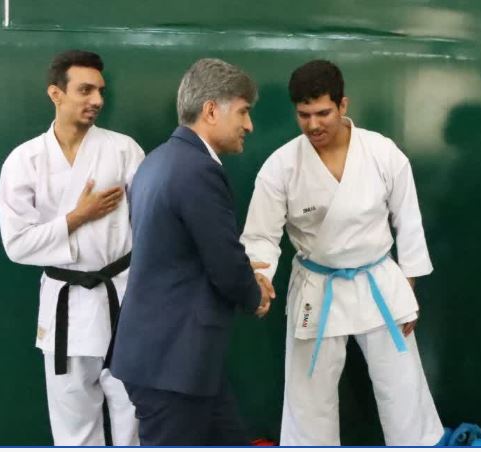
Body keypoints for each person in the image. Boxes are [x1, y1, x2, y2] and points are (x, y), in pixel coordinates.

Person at [241, 59, 443, 446]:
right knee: (308, 395)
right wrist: (260, 276)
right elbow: (262, 235)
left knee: (402, 386)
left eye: (323, 113)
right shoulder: (281, 166)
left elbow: (408, 220)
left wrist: (409, 285)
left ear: (343, 105)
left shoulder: (382, 152)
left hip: (378, 281)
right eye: (304, 115)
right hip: (317, 284)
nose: (313, 125)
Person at [109, 58, 273, 446]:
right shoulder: (198, 169)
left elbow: (181, 251)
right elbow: (224, 262)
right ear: (211, 110)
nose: (249, 125)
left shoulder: (159, 160)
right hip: (172, 365)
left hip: (181, 362)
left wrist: (243, 273)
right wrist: (255, 292)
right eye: (243, 111)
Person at [0, 49, 142, 446]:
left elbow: (151, 225)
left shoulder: (124, 150)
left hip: (123, 297)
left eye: (100, 91)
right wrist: (77, 217)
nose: (97, 100)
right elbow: (17, 244)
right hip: (66, 307)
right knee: (74, 425)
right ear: (55, 93)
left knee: (134, 415)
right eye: (85, 90)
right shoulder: (24, 161)